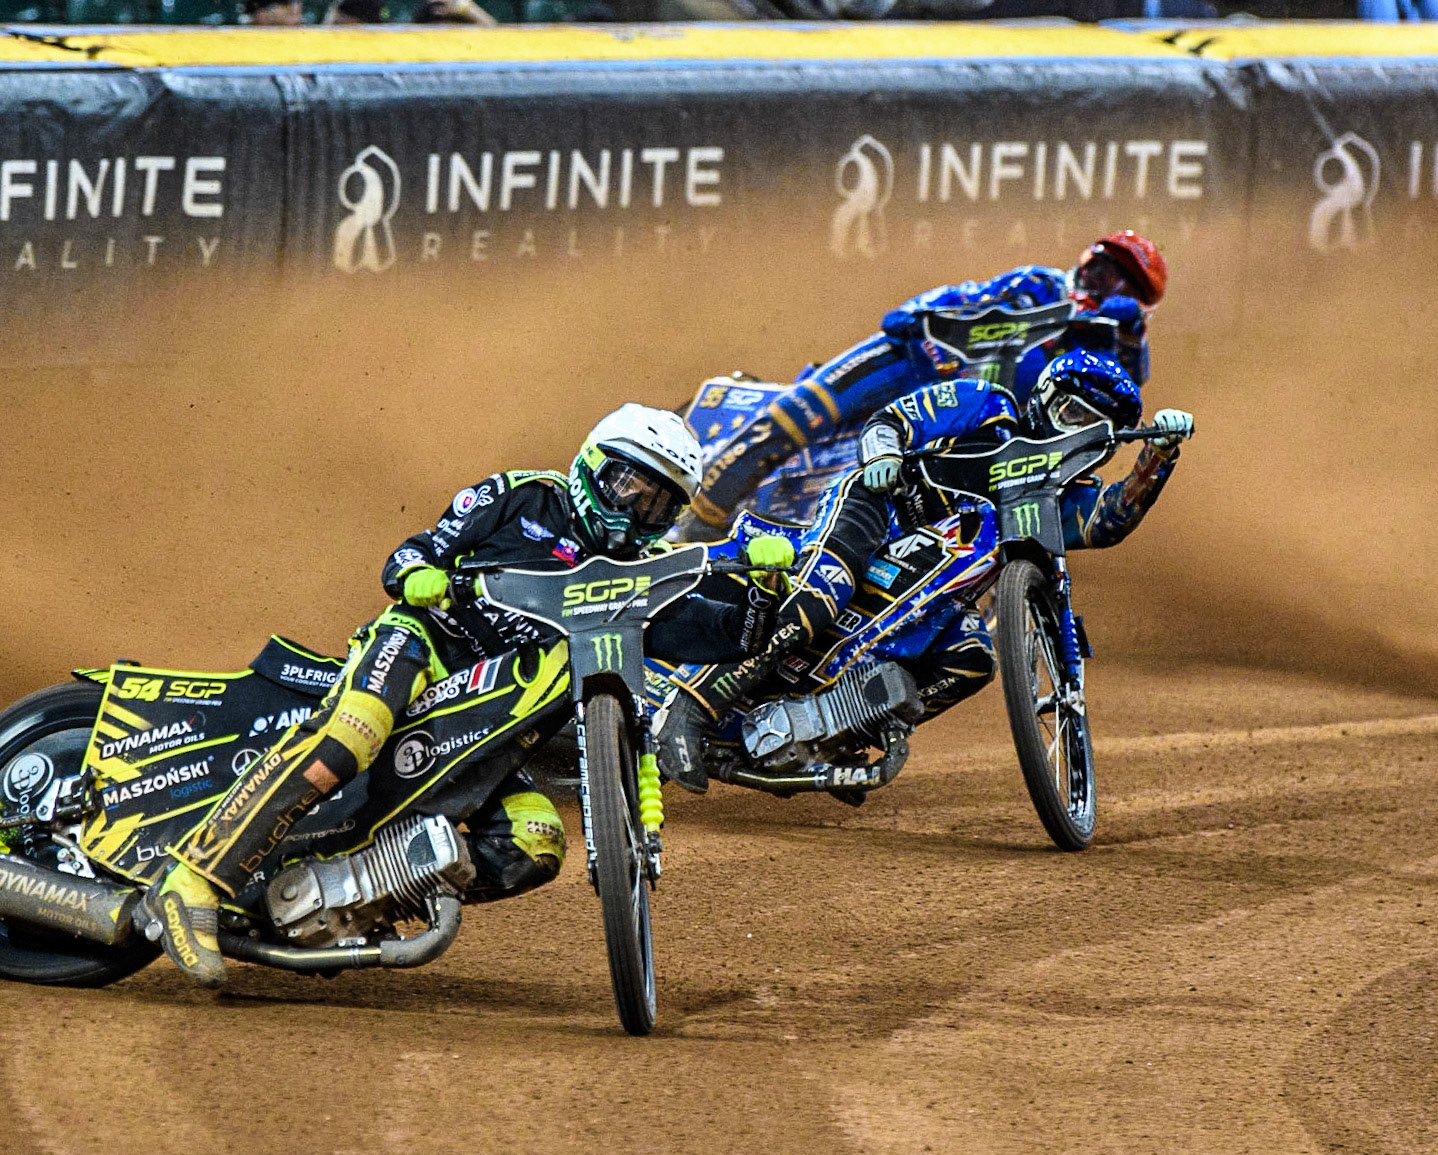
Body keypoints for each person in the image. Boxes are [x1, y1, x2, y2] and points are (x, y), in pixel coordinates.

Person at [135, 404, 796, 987]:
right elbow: (412, 553)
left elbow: (734, 634)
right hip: (422, 645)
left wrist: (766, 583)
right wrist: (422, 576)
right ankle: (193, 876)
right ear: (593, 465)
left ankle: (343, 901)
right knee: (354, 732)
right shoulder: (523, 495)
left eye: (655, 503)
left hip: (495, 735)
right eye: (627, 484)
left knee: (535, 841)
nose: (633, 510)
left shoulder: (639, 579)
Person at [655, 348, 1194, 794]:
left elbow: (1111, 520)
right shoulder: (990, 405)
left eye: (1097, 434)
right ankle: (689, 708)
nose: (1081, 435)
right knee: (826, 593)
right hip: (878, 511)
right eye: (1074, 416)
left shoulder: (1065, 498)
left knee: (974, 660)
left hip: (937, 592)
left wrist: (1160, 454)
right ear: (1048, 400)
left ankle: (834, 734)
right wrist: (884, 455)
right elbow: (891, 419)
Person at [685, 231, 1168, 537]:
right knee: (793, 419)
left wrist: (1125, 336)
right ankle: (690, 525)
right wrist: (922, 315)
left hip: (957, 425)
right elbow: (966, 296)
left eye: (1123, 285)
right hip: (913, 360)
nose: (1106, 286)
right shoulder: (1039, 285)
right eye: (1103, 270)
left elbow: (1126, 390)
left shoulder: (1109, 347)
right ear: (1085, 263)